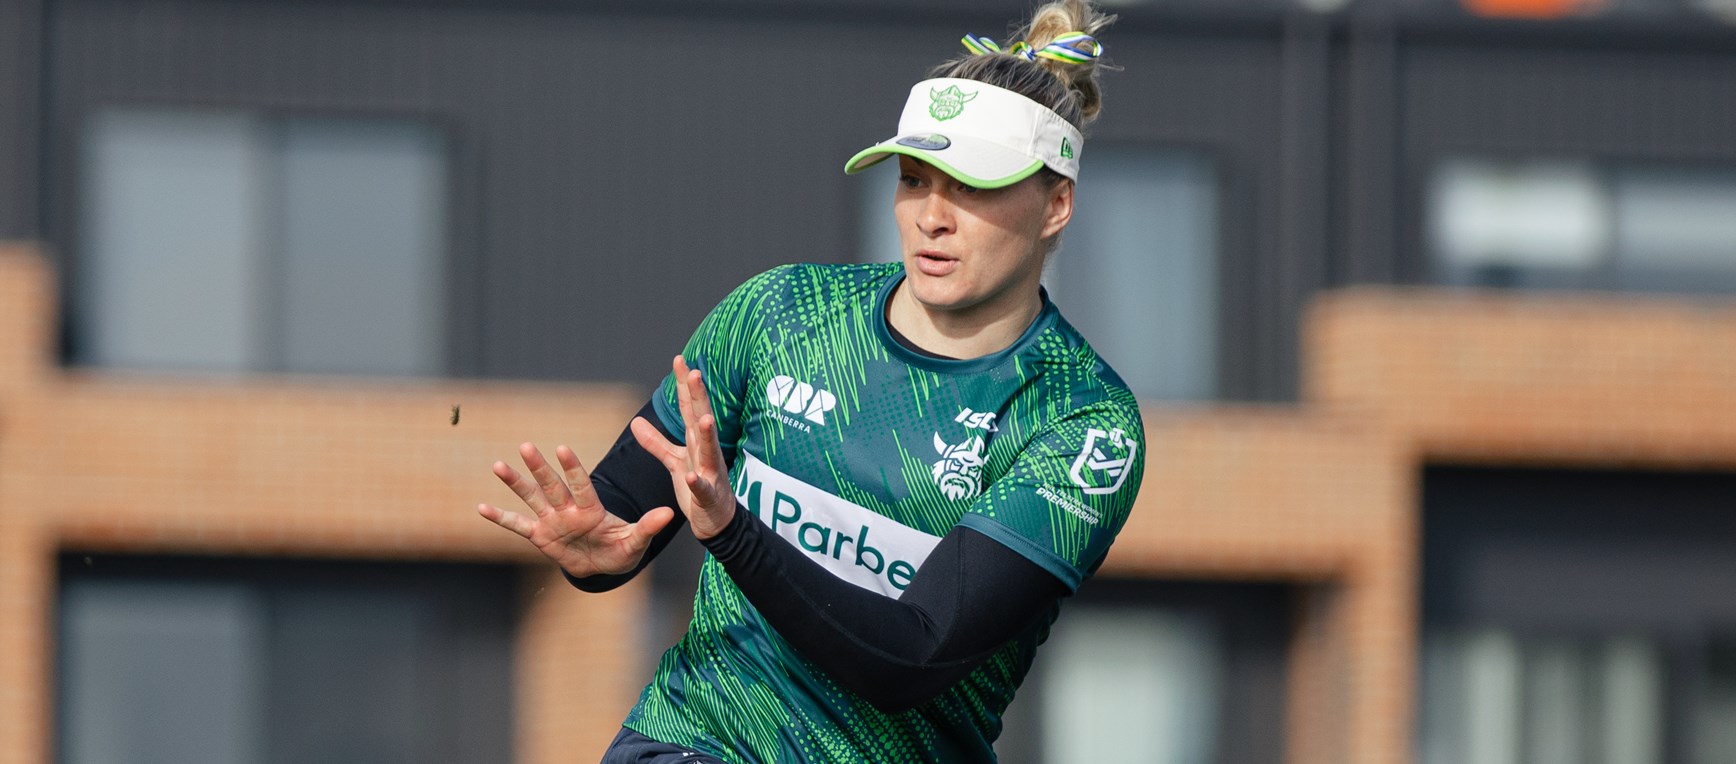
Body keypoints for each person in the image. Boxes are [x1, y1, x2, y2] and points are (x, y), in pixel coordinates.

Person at [477, 1, 1144, 761]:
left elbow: (911, 657)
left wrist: (734, 532)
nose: (931, 216)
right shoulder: (781, 312)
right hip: (692, 744)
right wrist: (597, 554)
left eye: (972, 188)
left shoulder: (1081, 420)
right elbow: (629, 518)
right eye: (915, 180)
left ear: (1056, 204)